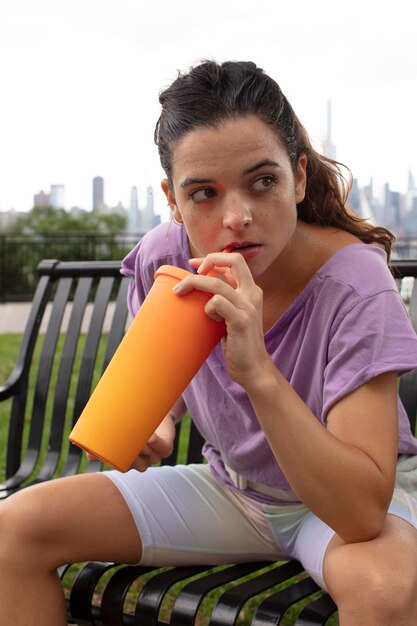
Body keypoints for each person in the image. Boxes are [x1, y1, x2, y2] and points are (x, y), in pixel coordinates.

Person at [1, 59, 417, 626]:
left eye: (262, 181)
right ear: (172, 199)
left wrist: (258, 373)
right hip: (233, 491)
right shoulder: (165, 257)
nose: (237, 217)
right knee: (12, 530)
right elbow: (163, 373)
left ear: (298, 176)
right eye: (204, 193)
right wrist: (158, 419)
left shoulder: (355, 284)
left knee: (387, 589)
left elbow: (361, 514)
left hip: (340, 505)